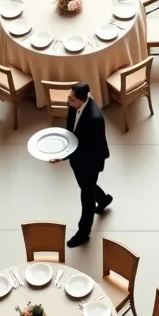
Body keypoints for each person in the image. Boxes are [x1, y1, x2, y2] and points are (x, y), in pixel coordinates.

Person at [50, 82, 111, 247]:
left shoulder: (94, 119)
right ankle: (104, 199)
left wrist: (63, 156)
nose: (68, 100)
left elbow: (91, 149)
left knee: (86, 196)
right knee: (86, 185)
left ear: (83, 100)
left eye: (71, 98)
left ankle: (83, 233)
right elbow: (70, 127)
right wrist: (63, 147)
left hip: (90, 161)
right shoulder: (74, 103)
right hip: (77, 158)